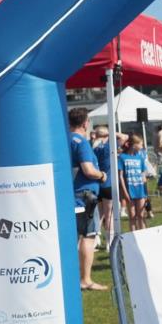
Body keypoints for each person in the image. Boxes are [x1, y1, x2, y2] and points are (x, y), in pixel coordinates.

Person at [69, 108, 108, 290]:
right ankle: (85, 279)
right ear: (85, 123)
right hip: (84, 196)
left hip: (71, 194)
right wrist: (101, 175)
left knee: (73, 236)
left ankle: (73, 277)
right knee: (88, 236)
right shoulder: (81, 142)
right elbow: (88, 170)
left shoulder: (64, 139)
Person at [118, 134, 148, 231]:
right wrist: (125, 193)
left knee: (141, 215)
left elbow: (143, 173)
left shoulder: (140, 157)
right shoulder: (122, 157)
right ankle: (133, 236)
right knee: (132, 216)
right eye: (141, 144)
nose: (142, 147)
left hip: (140, 190)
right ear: (134, 145)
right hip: (129, 190)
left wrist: (144, 186)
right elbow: (120, 176)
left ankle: (143, 235)